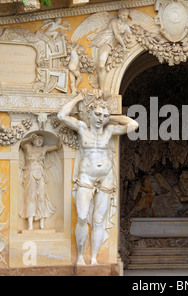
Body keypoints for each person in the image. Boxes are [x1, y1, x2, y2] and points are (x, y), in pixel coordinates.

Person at [57, 89, 139, 265]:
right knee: (82, 217)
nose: (101, 118)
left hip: (106, 180)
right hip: (86, 178)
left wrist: (113, 116)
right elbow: (62, 116)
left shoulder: (109, 131)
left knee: (99, 220)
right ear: (90, 114)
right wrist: (78, 98)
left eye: (104, 115)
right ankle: (80, 255)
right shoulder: (82, 128)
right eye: (98, 114)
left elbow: (133, 125)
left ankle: (93, 258)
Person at [19, 134, 61, 231]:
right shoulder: (28, 147)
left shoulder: (44, 149)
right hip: (30, 174)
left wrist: (60, 137)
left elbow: (58, 146)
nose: (40, 140)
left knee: (42, 198)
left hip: (41, 174)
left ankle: (42, 224)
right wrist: (29, 138)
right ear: (33, 140)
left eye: (41, 139)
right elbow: (21, 143)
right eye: (37, 138)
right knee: (31, 197)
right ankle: (30, 225)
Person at [89, 9, 132, 89]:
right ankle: (102, 89)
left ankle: (102, 89)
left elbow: (131, 36)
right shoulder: (114, 21)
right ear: (119, 15)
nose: (125, 17)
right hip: (104, 40)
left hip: (110, 44)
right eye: (123, 15)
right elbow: (116, 35)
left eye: (126, 16)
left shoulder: (125, 26)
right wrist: (123, 46)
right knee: (101, 65)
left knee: (102, 65)